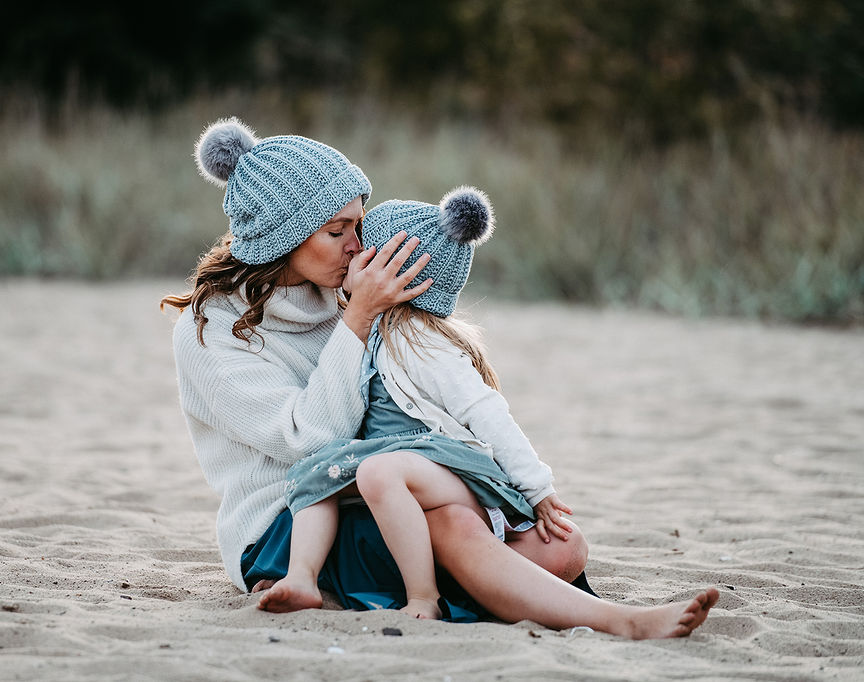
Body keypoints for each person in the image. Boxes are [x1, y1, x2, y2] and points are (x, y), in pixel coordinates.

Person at [164, 117, 718, 639]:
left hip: (384, 488)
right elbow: (308, 443)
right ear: (285, 233)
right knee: (455, 526)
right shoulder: (211, 331)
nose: (358, 246)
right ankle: (619, 622)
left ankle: (488, 582)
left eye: (360, 224)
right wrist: (358, 319)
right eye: (338, 231)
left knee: (559, 547)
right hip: (291, 523)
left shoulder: (341, 288)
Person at [262, 187, 575, 621]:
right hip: (395, 460)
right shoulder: (368, 328)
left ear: (393, 275)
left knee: (379, 471)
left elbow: (486, 413)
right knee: (316, 473)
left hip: (445, 465)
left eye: (363, 253)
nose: (350, 254)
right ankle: (301, 576)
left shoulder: (420, 341)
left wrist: (539, 490)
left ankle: (423, 596)